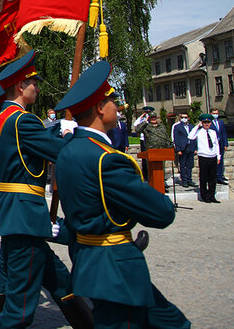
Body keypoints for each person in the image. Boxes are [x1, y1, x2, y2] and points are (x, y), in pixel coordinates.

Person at [54, 61, 189, 328]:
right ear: (100, 108)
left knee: (171, 322)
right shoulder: (107, 159)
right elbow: (161, 213)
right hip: (115, 268)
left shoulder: (68, 151)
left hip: (90, 260)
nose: (119, 108)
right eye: (114, 102)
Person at [0, 50, 90, 328]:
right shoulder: (22, 120)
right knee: (22, 302)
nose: (37, 88)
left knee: (59, 279)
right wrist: (76, 132)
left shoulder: (2, 121)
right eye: (33, 83)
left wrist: (60, 128)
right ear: (19, 87)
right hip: (25, 217)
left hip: (15, 216)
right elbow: (61, 151)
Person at [133, 110, 173, 187]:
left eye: (154, 117)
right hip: (151, 151)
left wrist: (169, 147)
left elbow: (166, 136)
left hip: (162, 151)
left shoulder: (162, 126)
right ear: (149, 118)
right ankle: (152, 184)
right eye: (151, 118)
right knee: (152, 170)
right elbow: (137, 129)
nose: (153, 119)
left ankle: (161, 184)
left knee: (162, 169)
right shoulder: (146, 127)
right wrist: (145, 121)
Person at [189, 114, 221, 203]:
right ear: (202, 123)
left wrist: (218, 156)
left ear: (211, 123)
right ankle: (204, 196)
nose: (207, 124)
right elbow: (190, 136)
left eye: (208, 122)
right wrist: (197, 126)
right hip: (203, 157)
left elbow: (216, 145)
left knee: (212, 178)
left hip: (213, 156)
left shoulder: (213, 132)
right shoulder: (199, 132)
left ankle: (212, 196)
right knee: (204, 177)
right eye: (204, 122)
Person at [172, 113, 197, 187]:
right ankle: (184, 180)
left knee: (190, 165)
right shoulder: (177, 127)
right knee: (182, 165)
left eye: (185, 117)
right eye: (182, 117)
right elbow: (176, 138)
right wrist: (178, 149)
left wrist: (196, 148)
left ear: (188, 118)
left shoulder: (192, 126)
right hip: (182, 148)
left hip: (191, 147)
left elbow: (195, 138)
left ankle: (189, 180)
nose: (184, 119)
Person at [210, 108, 229, 185]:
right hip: (213, 145)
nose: (216, 115)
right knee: (214, 161)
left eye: (217, 113)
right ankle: (214, 176)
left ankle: (220, 176)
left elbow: (224, 133)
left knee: (220, 161)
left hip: (220, 144)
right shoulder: (209, 123)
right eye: (214, 113)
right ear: (211, 114)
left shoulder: (220, 122)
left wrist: (225, 144)